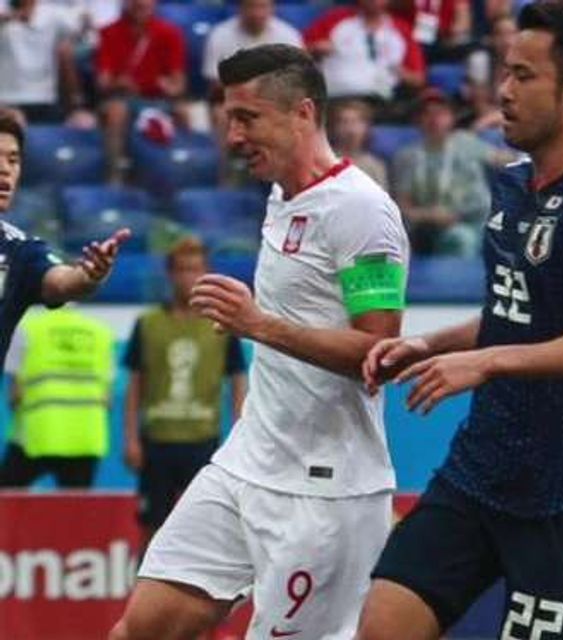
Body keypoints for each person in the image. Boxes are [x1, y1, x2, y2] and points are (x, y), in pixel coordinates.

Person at [354, 3, 563, 639]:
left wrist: (485, 362)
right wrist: (428, 345)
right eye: (505, 73)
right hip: (479, 472)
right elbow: (513, 312)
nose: (503, 90)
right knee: (381, 627)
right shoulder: (512, 184)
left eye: (523, 75)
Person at [108, 44, 410, 640]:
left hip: (324, 493)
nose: (232, 136)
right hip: (245, 463)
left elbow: (380, 356)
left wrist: (259, 325)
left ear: (302, 113)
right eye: (228, 119)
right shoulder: (281, 197)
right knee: (137, 630)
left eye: (247, 119)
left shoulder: (362, 212)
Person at [122, 237, 248, 549]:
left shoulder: (221, 324)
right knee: (152, 526)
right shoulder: (148, 324)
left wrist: (239, 436)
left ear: (206, 274)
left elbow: (237, 381)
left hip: (202, 440)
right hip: (158, 441)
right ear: (170, 274)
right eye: (181, 270)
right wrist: (131, 439)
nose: (188, 278)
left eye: (195, 270)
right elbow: (135, 384)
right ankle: (144, 590)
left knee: (206, 527)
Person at [0, 110, 130, 363]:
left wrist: (90, 275)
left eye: (13, 160)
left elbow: (64, 283)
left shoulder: (20, 251)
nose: (5, 170)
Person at [0, 305, 114, 488]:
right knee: (75, 512)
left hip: (36, 437)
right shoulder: (100, 332)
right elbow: (107, 400)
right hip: (85, 439)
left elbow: (15, 395)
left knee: (6, 499)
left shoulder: (26, 329)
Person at [393, 86, 509, 257]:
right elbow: (403, 207)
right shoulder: (407, 157)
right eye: (427, 114)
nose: (434, 119)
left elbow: (506, 161)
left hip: (473, 222)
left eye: (440, 113)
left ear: (451, 118)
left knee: (462, 238)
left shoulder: (467, 143)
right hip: (428, 229)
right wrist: (429, 216)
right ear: (417, 120)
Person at [95, 0, 187, 183]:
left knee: (184, 113)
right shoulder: (108, 32)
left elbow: (179, 84)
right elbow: (102, 82)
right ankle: (115, 173)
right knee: (116, 112)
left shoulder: (170, 33)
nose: (141, 6)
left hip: (158, 99)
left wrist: (168, 87)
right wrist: (118, 83)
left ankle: (180, 171)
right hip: (123, 98)